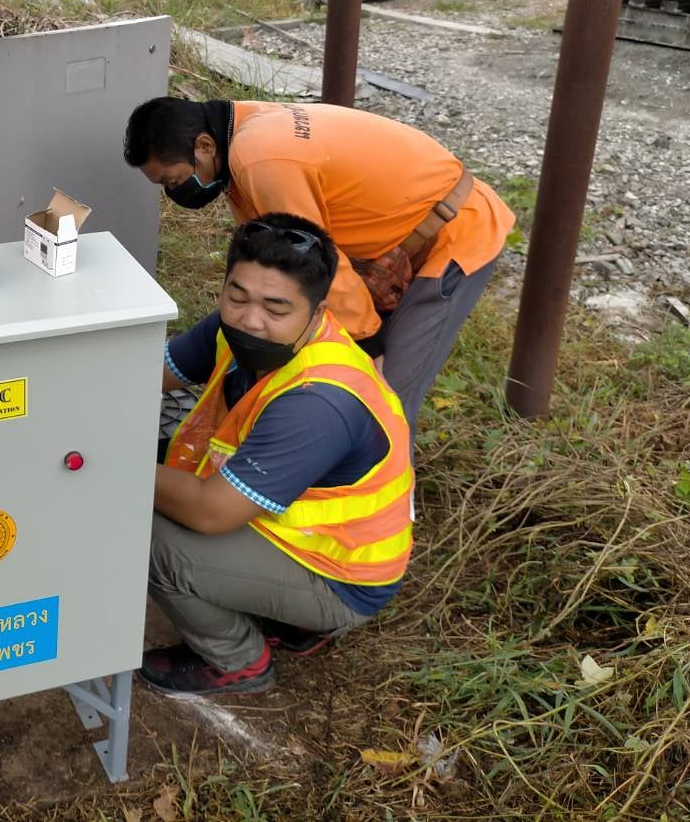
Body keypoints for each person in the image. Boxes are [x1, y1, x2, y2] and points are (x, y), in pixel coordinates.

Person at [124, 97, 514, 435]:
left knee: (381, 396)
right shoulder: (241, 132)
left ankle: (383, 494)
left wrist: (365, 344)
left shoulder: (262, 157)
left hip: (454, 231)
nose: (173, 192)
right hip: (397, 234)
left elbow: (309, 260)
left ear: (205, 145)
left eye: (173, 181)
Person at [140, 215, 412, 696]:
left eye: (276, 307)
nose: (251, 319)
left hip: (339, 577)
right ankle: (282, 612)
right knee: (159, 481)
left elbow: (208, 512)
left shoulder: (318, 401)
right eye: (237, 296)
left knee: (147, 537)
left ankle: (237, 660)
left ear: (317, 311)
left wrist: (112, 464)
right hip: (291, 528)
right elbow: (145, 375)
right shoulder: (236, 330)